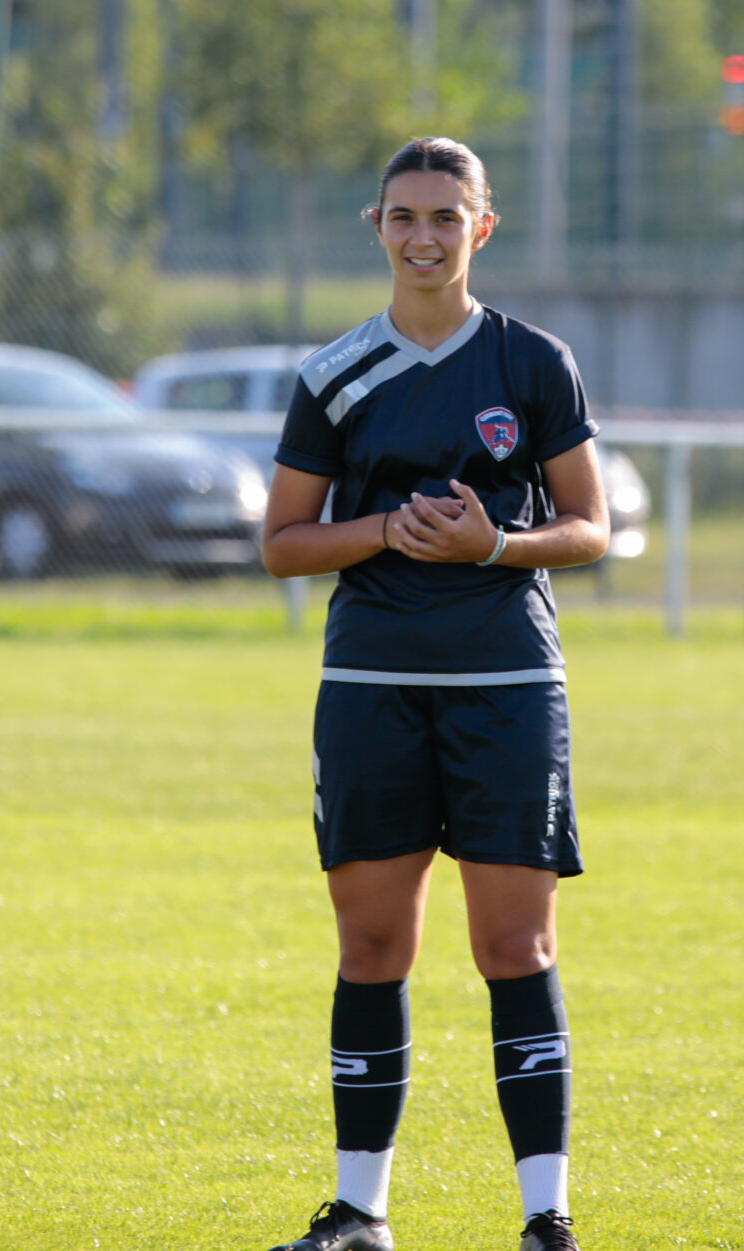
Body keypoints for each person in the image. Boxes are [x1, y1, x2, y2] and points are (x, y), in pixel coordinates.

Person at [258, 136, 611, 1251]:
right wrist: (385, 530)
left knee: (515, 948)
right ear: (376, 228)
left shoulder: (533, 363)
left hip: (506, 682)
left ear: (481, 229)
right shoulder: (334, 374)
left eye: (444, 217)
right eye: (403, 217)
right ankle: (361, 1212)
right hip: (370, 684)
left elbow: (592, 528)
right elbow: (280, 543)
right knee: (372, 947)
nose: (423, 237)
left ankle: (545, 1217)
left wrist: (493, 546)